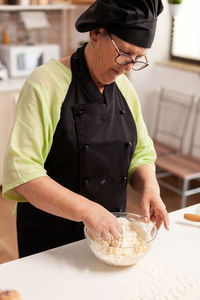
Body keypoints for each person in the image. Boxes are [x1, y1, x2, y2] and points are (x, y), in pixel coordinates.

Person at [3, 0, 169, 258]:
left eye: (138, 58)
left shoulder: (125, 89)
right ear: (96, 33)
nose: (128, 66)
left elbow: (141, 153)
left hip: (110, 238)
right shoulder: (44, 83)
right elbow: (23, 172)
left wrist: (150, 186)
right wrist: (86, 210)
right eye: (124, 52)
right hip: (51, 238)